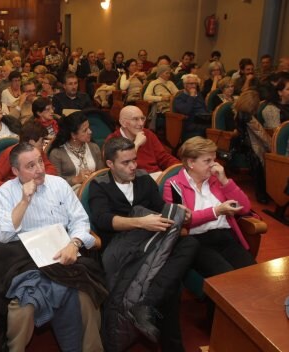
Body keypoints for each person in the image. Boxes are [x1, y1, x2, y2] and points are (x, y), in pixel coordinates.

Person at [0, 142, 107, 352]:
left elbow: (81, 221)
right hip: (25, 262)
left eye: (40, 162)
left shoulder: (59, 185)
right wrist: (25, 201)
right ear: (16, 171)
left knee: (87, 297)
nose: (40, 169)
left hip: (63, 256)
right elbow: (2, 236)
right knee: (22, 309)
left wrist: (74, 243)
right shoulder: (5, 193)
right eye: (31, 166)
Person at [88, 137, 198, 351]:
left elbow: (160, 208)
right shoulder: (99, 185)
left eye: (134, 160)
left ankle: (148, 304)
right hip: (120, 247)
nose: (133, 166)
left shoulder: (144, 179)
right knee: (171, 288)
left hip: (148, 244)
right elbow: (103, 220)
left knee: (191, 242)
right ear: (110, 164)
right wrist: (141, 222)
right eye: (125, 163)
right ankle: (170, 343)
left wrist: (177, 213)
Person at [162, 137, 256, 278]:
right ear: (191, 162)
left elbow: (245, 208)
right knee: (227, 278)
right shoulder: (174, 185)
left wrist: (225, 180)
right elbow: (181, 221)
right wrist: (216, 211)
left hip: (226, 237)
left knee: (253, 274)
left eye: (214, 160)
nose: (214, 165)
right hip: (196, 242)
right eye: (207, 161)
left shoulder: (217, 179)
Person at [106, 106, 180, 180]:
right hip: (134, 180)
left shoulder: (148, 134)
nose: (141, 123)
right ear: (123, 123)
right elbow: (120, 171)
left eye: (142, 118)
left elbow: (164, 158)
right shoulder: (113, 140)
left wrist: (181, 168)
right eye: (135, 119)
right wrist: (136, 144)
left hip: (157, 177)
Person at [0, 121, 57, 197]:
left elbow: (52, 170)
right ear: (31, 142)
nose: (43, 144)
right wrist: (17, 185)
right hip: (12, 195)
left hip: (36, 192)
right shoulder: (11, 153)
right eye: (42, 141)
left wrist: (35, 177)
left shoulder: (37, 152)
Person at [47, 111, 104, 189]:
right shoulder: (57, 153)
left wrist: (94, 177)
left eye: (89, 127)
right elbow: (54, 184)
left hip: (95, 190)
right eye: (85, 130)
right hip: (69, 194)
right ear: (73, 135)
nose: (90, 132)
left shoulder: (94, 148)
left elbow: (102, 174)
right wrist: (75, 180)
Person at [233, 90, 272, 203]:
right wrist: (273, 146)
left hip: (242, 145)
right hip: (251, 147)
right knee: (259, 170)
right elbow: (261, 134)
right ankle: (262, 196)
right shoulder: (248, 117)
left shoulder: (237, 112)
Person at [173, 74, 211, 138]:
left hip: (203, 120)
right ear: (185, 85)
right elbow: (186, 111)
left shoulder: (199, 95)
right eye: (191, 83)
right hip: (191, 123)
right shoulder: (179, 98)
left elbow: (204, 108)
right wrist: (191, 97)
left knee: (218, 128)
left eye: (195, 84)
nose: (194, 86)